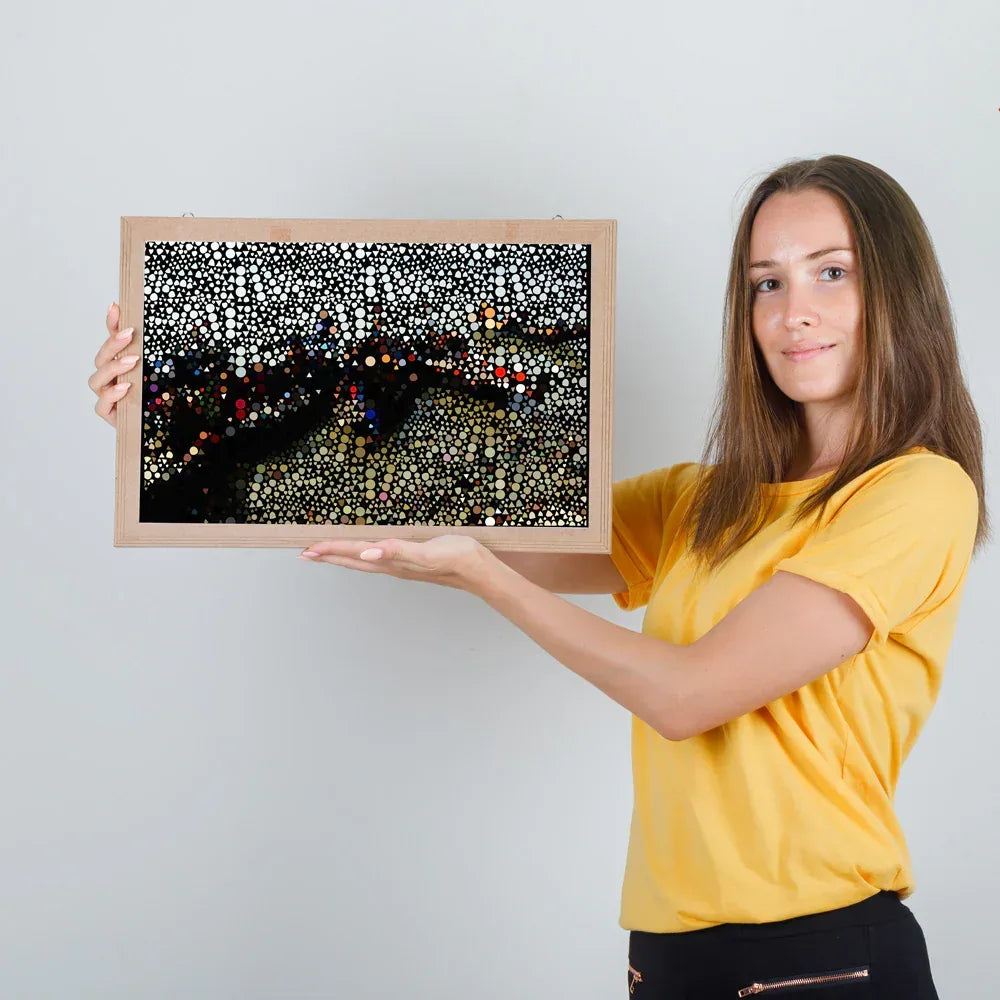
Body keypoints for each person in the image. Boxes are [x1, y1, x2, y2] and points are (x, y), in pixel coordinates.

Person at [89, 154, 988, 999]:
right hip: (668, 957)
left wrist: (489, 580)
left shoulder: (917, 493)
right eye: (767, 281)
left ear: (897, 293)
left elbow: (689, 695)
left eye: (833, 272)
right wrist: (168, 412)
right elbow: (459, 516)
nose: (795, 309)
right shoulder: (706, 501)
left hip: (821, 961)